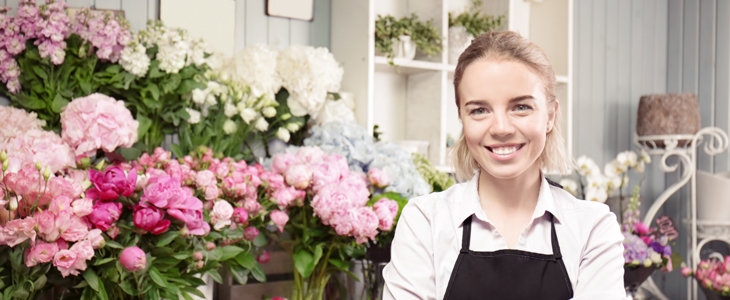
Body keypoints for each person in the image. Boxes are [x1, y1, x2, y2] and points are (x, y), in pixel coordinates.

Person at [382, 30, 626, 299]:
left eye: (520, 107)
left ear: (550, 116)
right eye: (479, 110)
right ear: (462, 118)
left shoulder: (592, 227)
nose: (501, 128)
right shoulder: (425, 222)